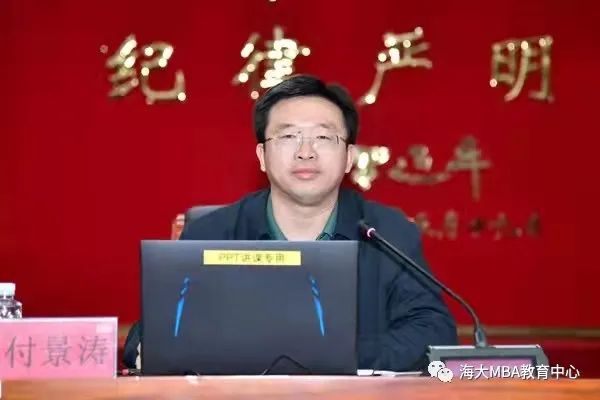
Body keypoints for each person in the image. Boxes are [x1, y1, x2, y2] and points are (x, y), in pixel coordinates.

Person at [124, 75, 457, 372]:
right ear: (261, 157)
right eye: (288, 137)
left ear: (349, 158)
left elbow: (434, 332)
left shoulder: (387, 233)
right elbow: (148, 335)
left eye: (323, 137)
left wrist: (329, 355)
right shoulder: (210, 233)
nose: (305, 152)